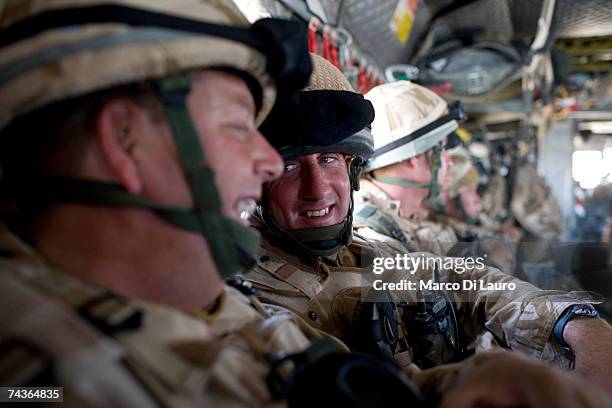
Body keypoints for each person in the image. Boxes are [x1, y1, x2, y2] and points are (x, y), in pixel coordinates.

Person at [0, 1, 327, 405]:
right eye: (238, 126)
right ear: (125, 139)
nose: (271, 162)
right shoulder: (41, 382)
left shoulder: (217, 300)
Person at [244, 60, 612, 394]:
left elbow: (471, 282)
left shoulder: (364, 252)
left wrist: (573, 321)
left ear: (353, 171)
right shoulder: (242, 298)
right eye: (289, 166)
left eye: (329, 159)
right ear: (254, 181)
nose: (318, 189)